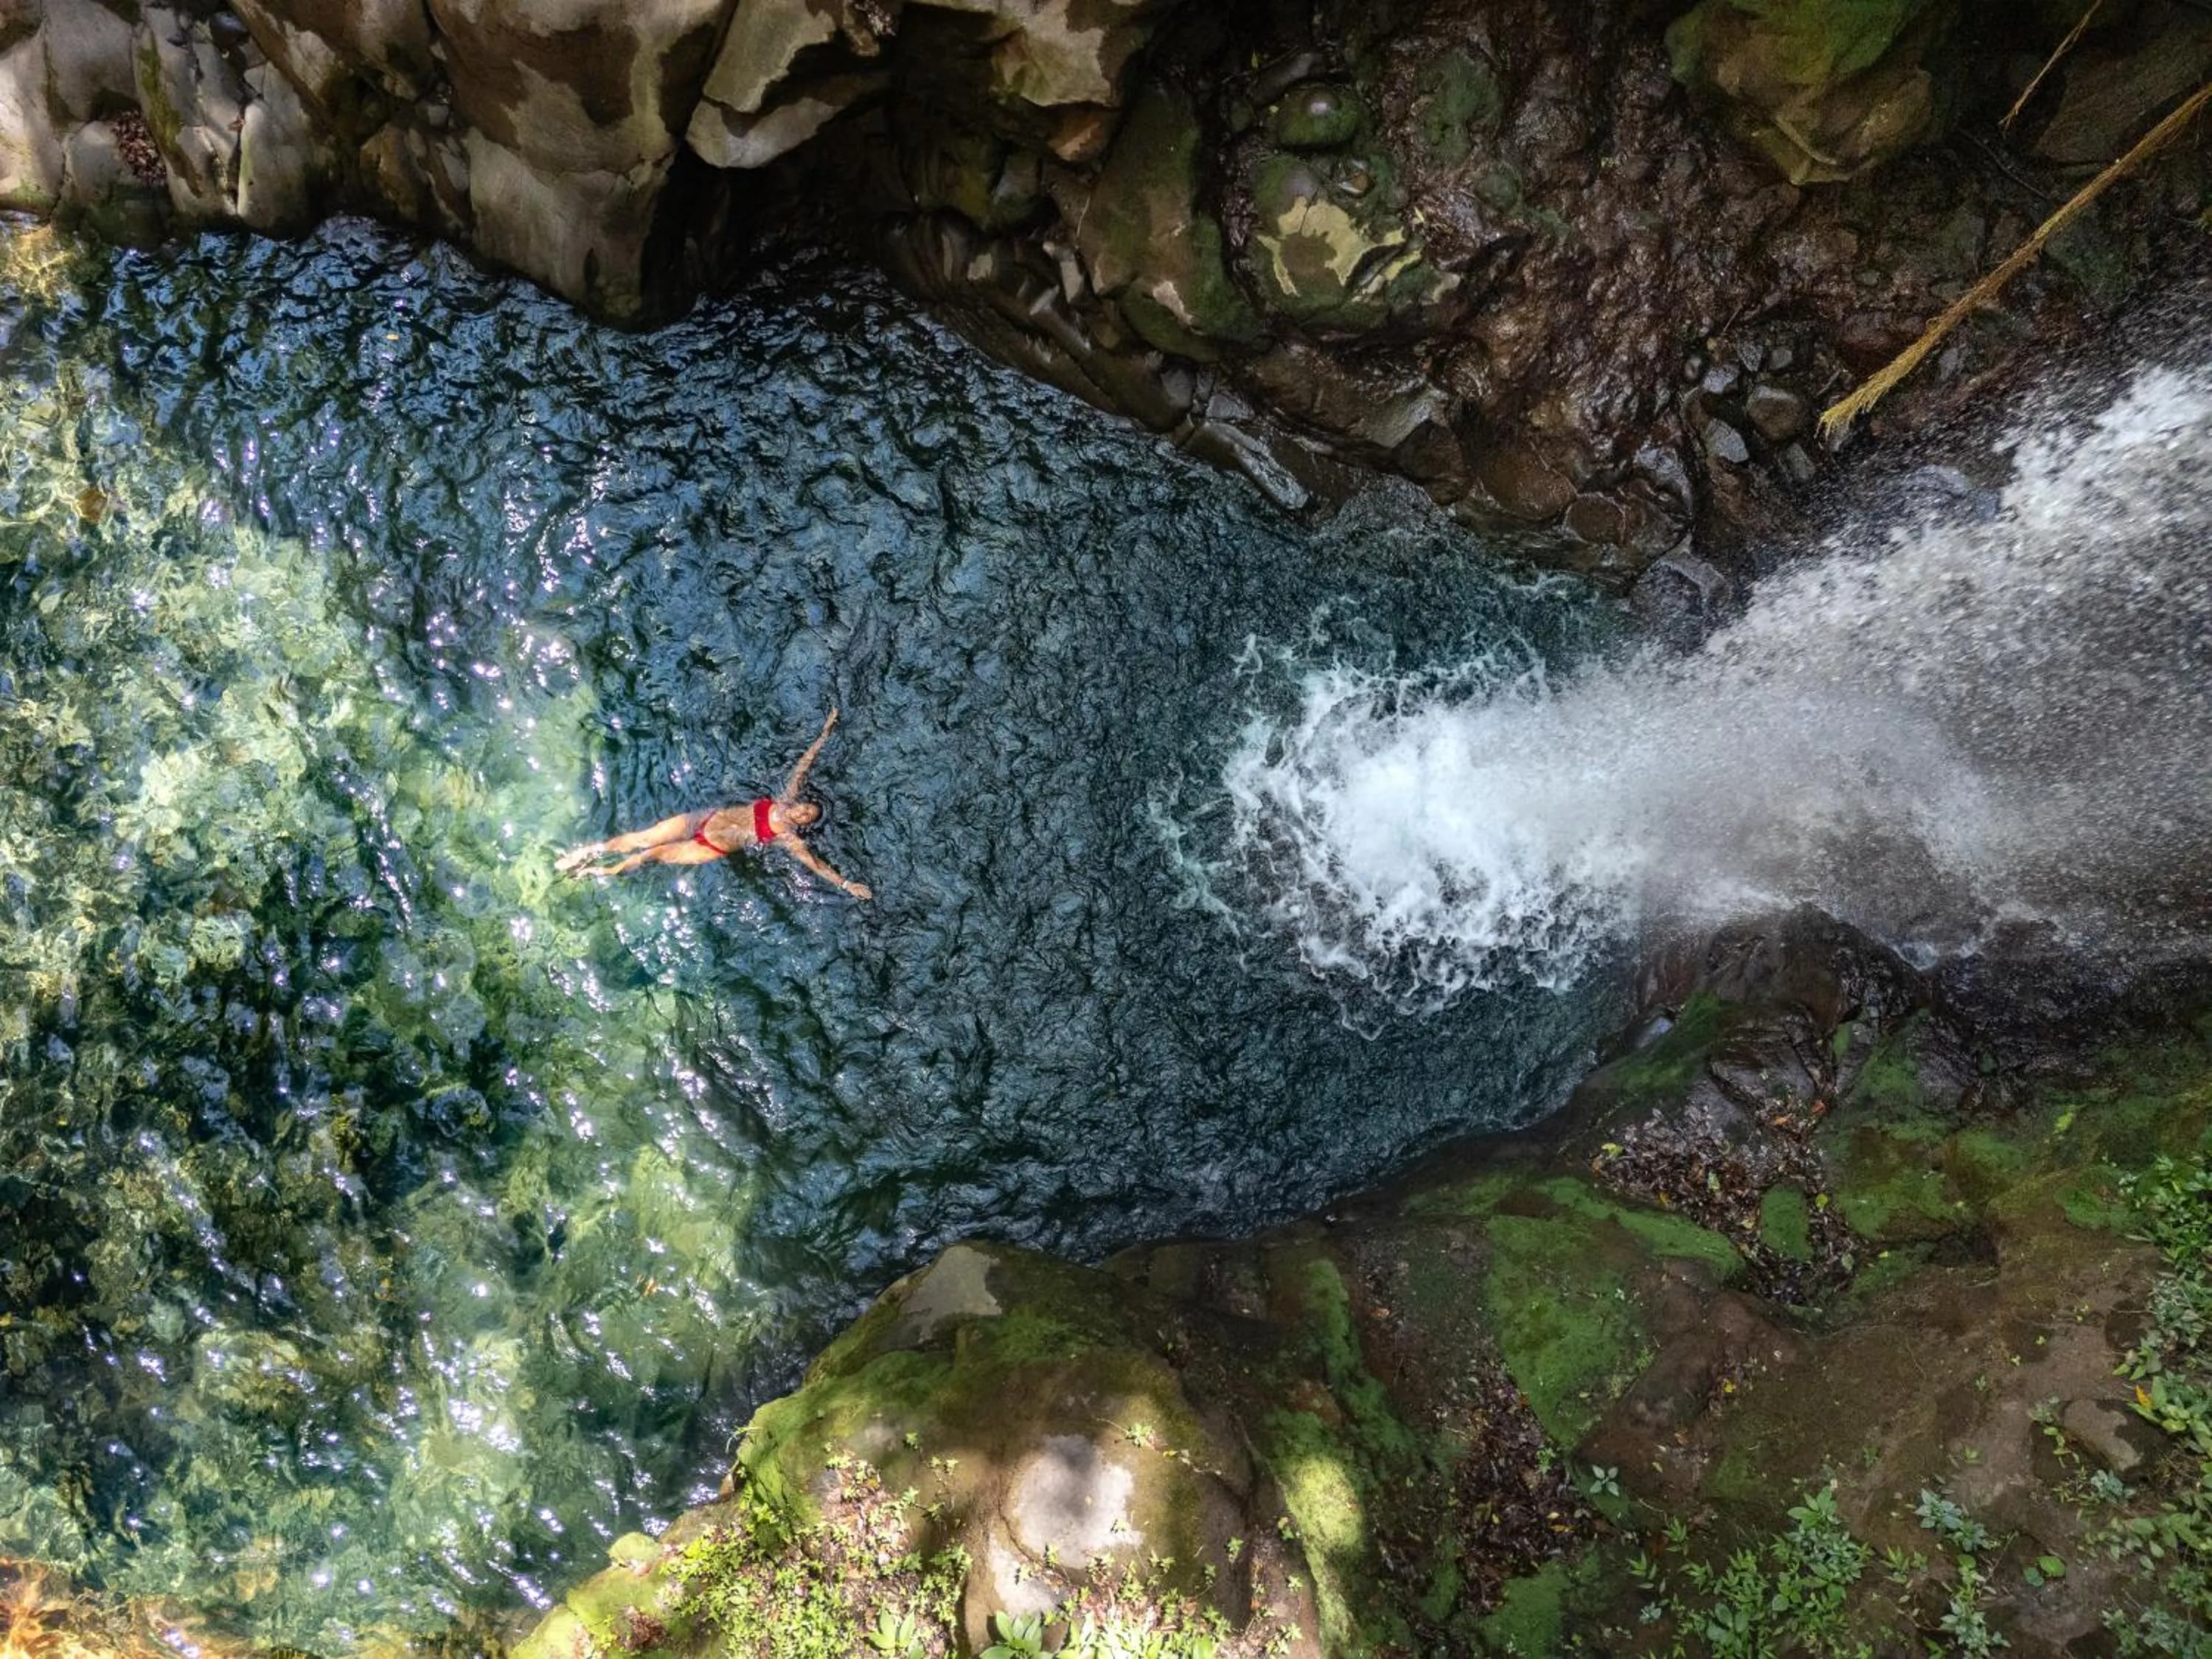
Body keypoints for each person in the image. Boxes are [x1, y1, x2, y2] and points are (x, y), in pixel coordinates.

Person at [554, 709, 872, 898]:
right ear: (800, 802)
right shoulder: (784, 798)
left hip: (710, 847)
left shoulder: (788, 838)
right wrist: (826, 732)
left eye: (806, 817)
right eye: (805, 807)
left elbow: (815, 865)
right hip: (704, 819)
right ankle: (587, 853)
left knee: (651, 854)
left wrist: (846, 884)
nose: (801, 812)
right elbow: (805, 764)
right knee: (643, 838)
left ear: (803, 825)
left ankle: (600, 871)